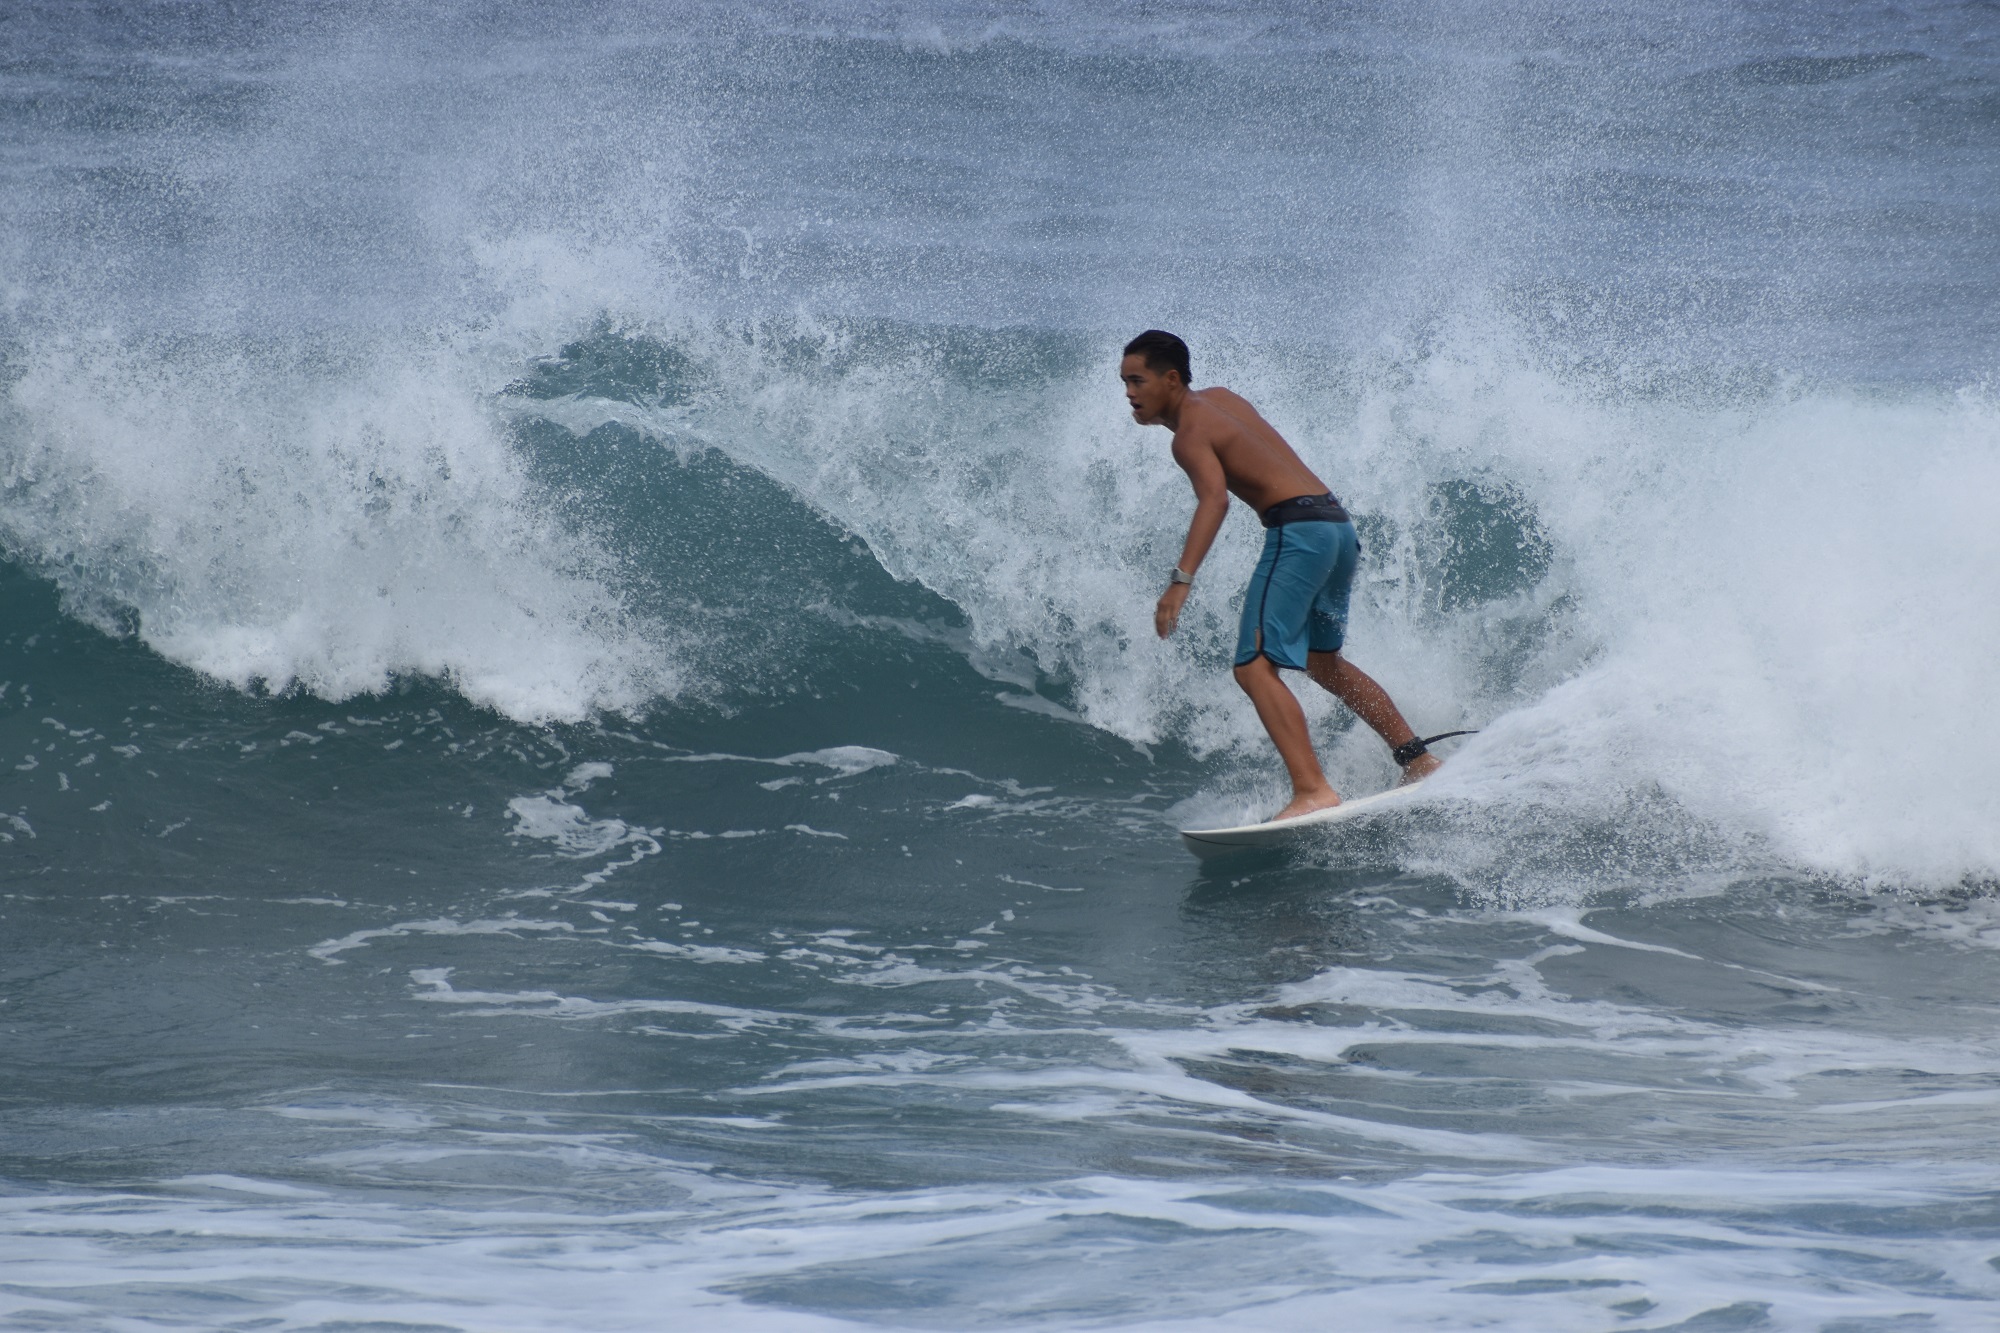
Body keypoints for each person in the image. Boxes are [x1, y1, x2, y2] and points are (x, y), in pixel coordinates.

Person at [1123, 329, 1442, 822]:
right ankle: (1417, 759)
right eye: (1125, 382)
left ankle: (1312, 789)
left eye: (1137, 381)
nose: (1129, 393)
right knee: (1323, 662)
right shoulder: (1224, 400)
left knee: (1252, 666)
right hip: (1336, 527)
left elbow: (1215, 500)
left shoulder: (1188, 436)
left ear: (1170, 379)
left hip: (1298, 532)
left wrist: (1180, 582)